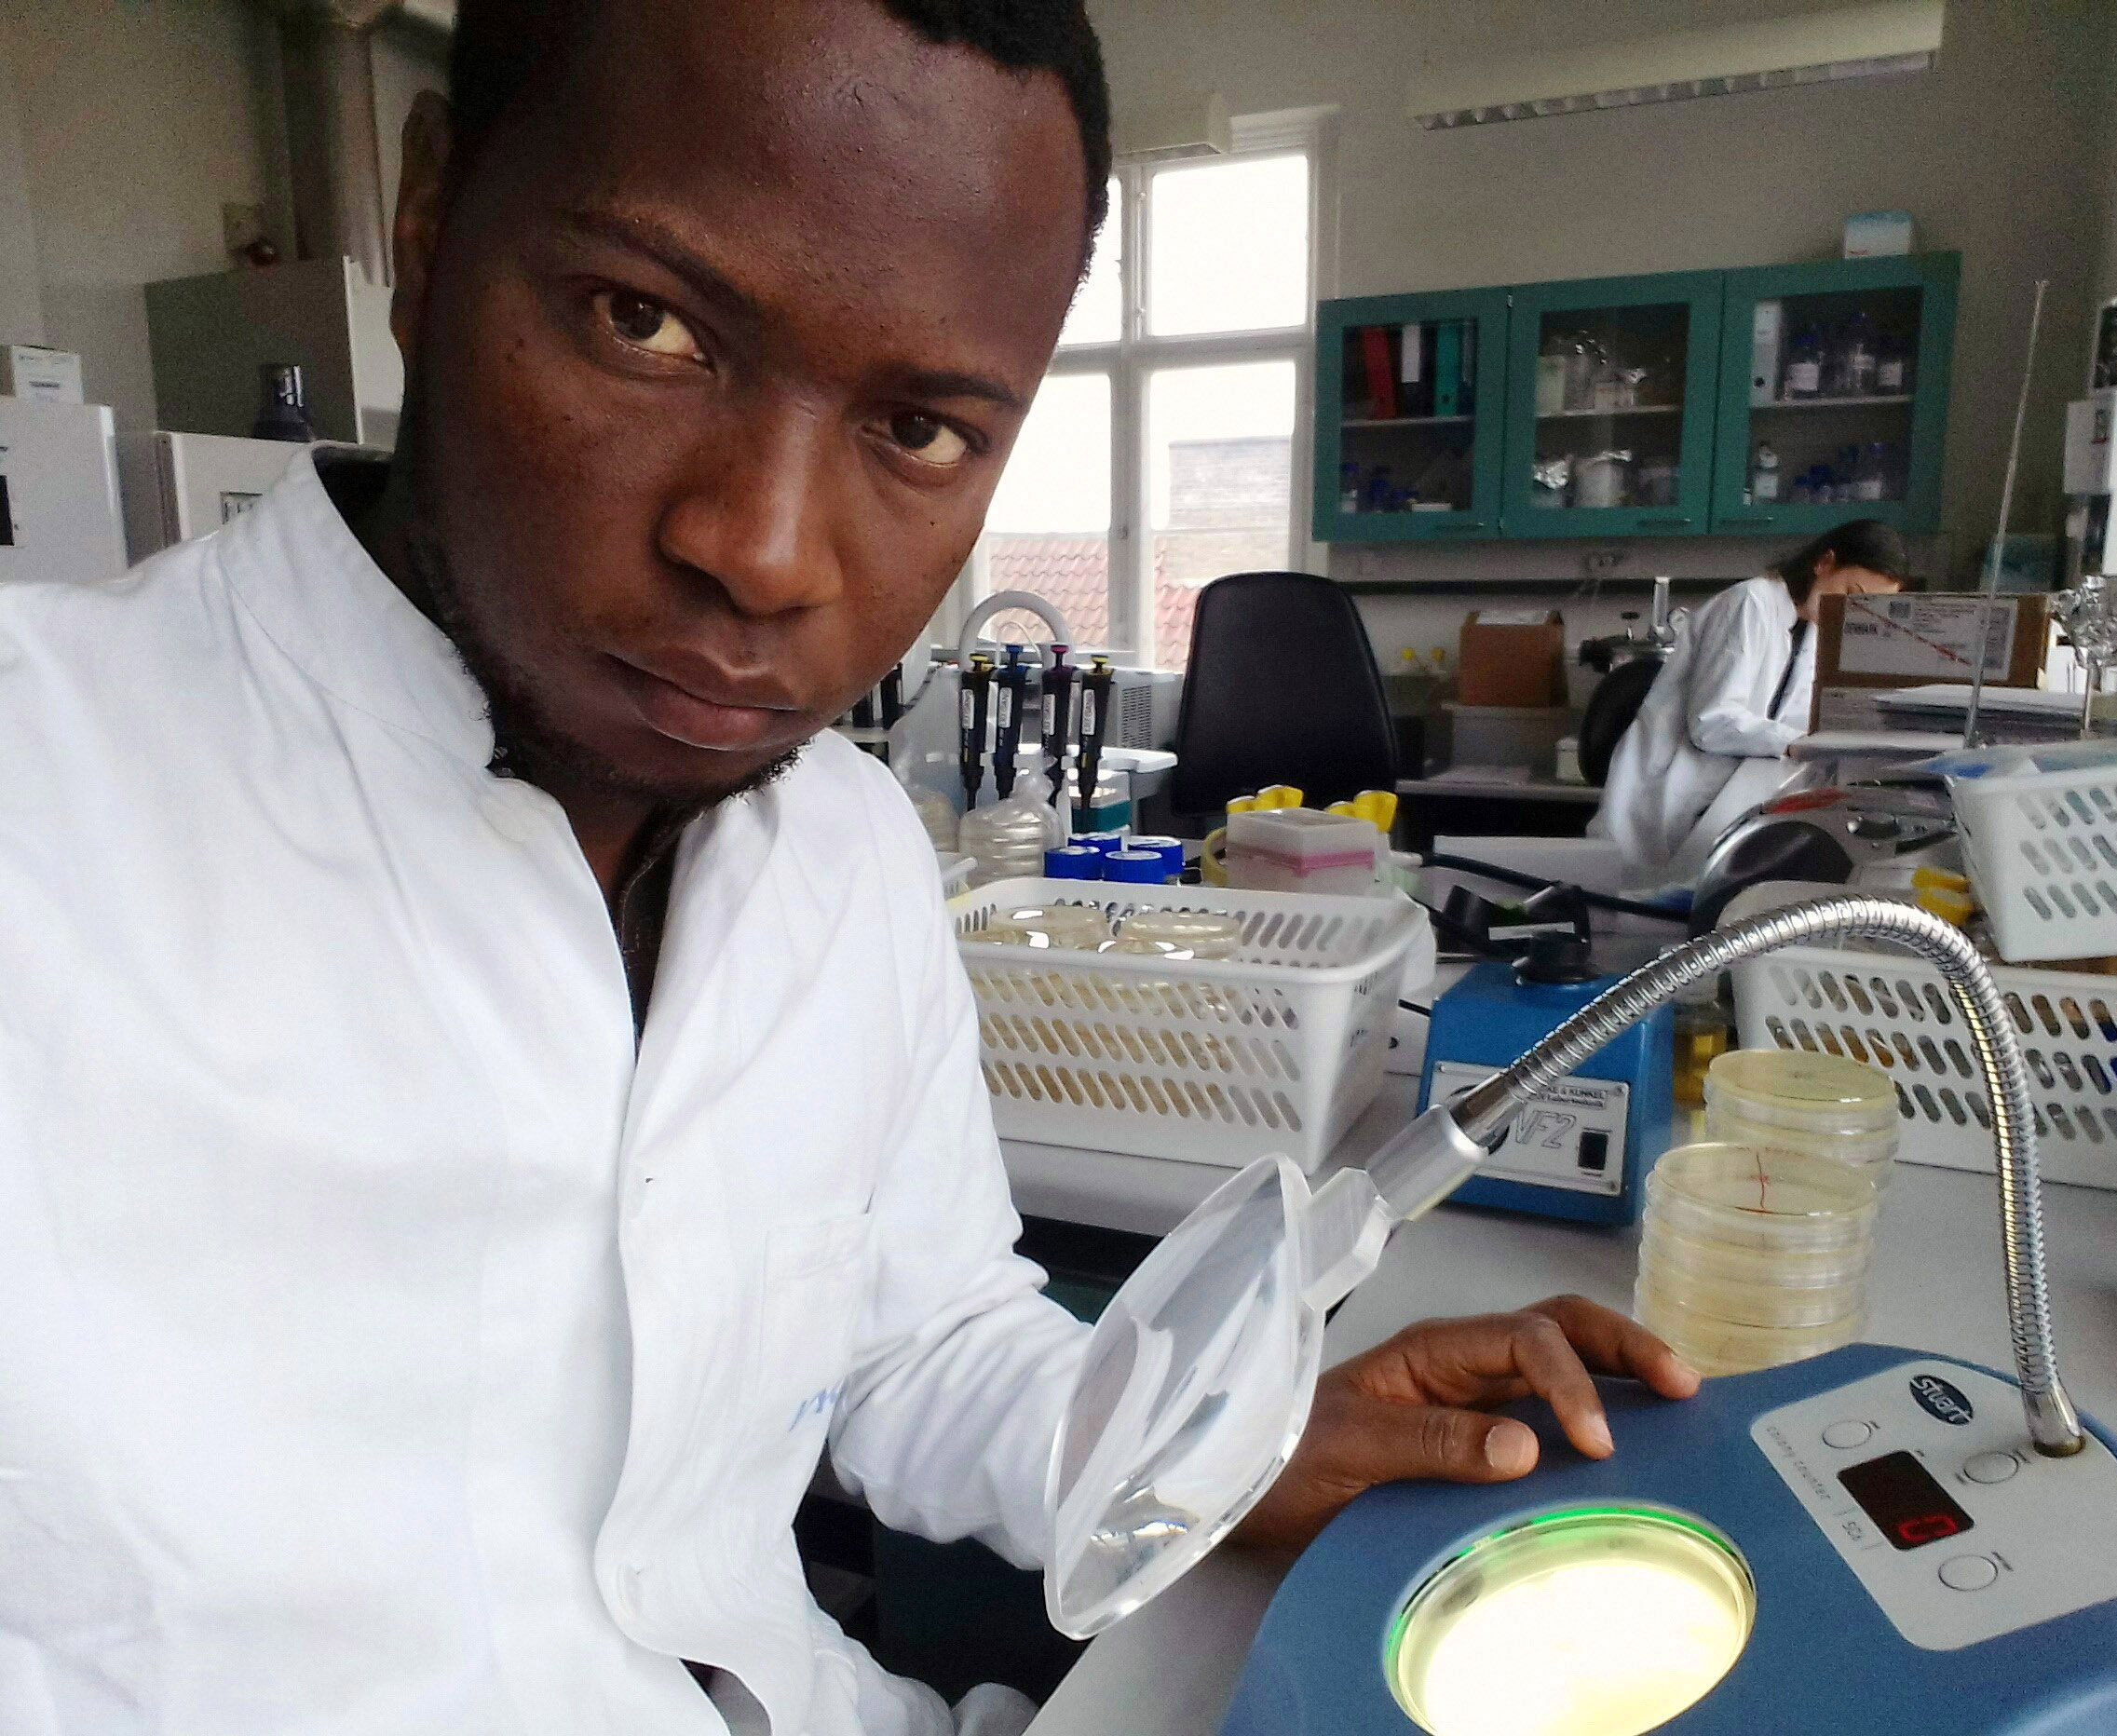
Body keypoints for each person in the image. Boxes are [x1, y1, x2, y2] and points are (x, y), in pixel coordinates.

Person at [0, 3, 1698, 1733]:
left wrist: (1221, 1441)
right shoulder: (42, 798)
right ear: (430, 225)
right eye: (646, 323)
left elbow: (918, 1328)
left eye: (924, 429)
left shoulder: (845, 845)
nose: (764, 548)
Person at [1590, 519, 1912, 889]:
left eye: (1864, 605)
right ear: (1824, 563)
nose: (1849, 610)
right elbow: (1713, 724)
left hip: (1720, 801)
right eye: (1849, 591)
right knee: (1639, 916)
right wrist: (1799, 742)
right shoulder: (1750, 603)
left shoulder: (1807, 628)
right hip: (1665, 798)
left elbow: (1794, 718)